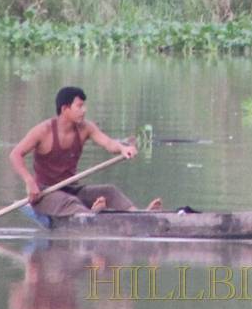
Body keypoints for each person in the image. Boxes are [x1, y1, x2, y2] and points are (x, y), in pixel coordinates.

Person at [10, 86, 162, 217]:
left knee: (110, 191)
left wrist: (123, 148)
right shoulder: (43, 131)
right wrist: (30, 182)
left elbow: (108, 143)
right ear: (65, 109)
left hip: (71, 189)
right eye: (79, 106)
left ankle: (139, 216)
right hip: (45, 193)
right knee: (70, 202)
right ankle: (91, 216)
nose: (84, 110)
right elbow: (15, 154)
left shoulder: (85, 128)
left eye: (84, 106)